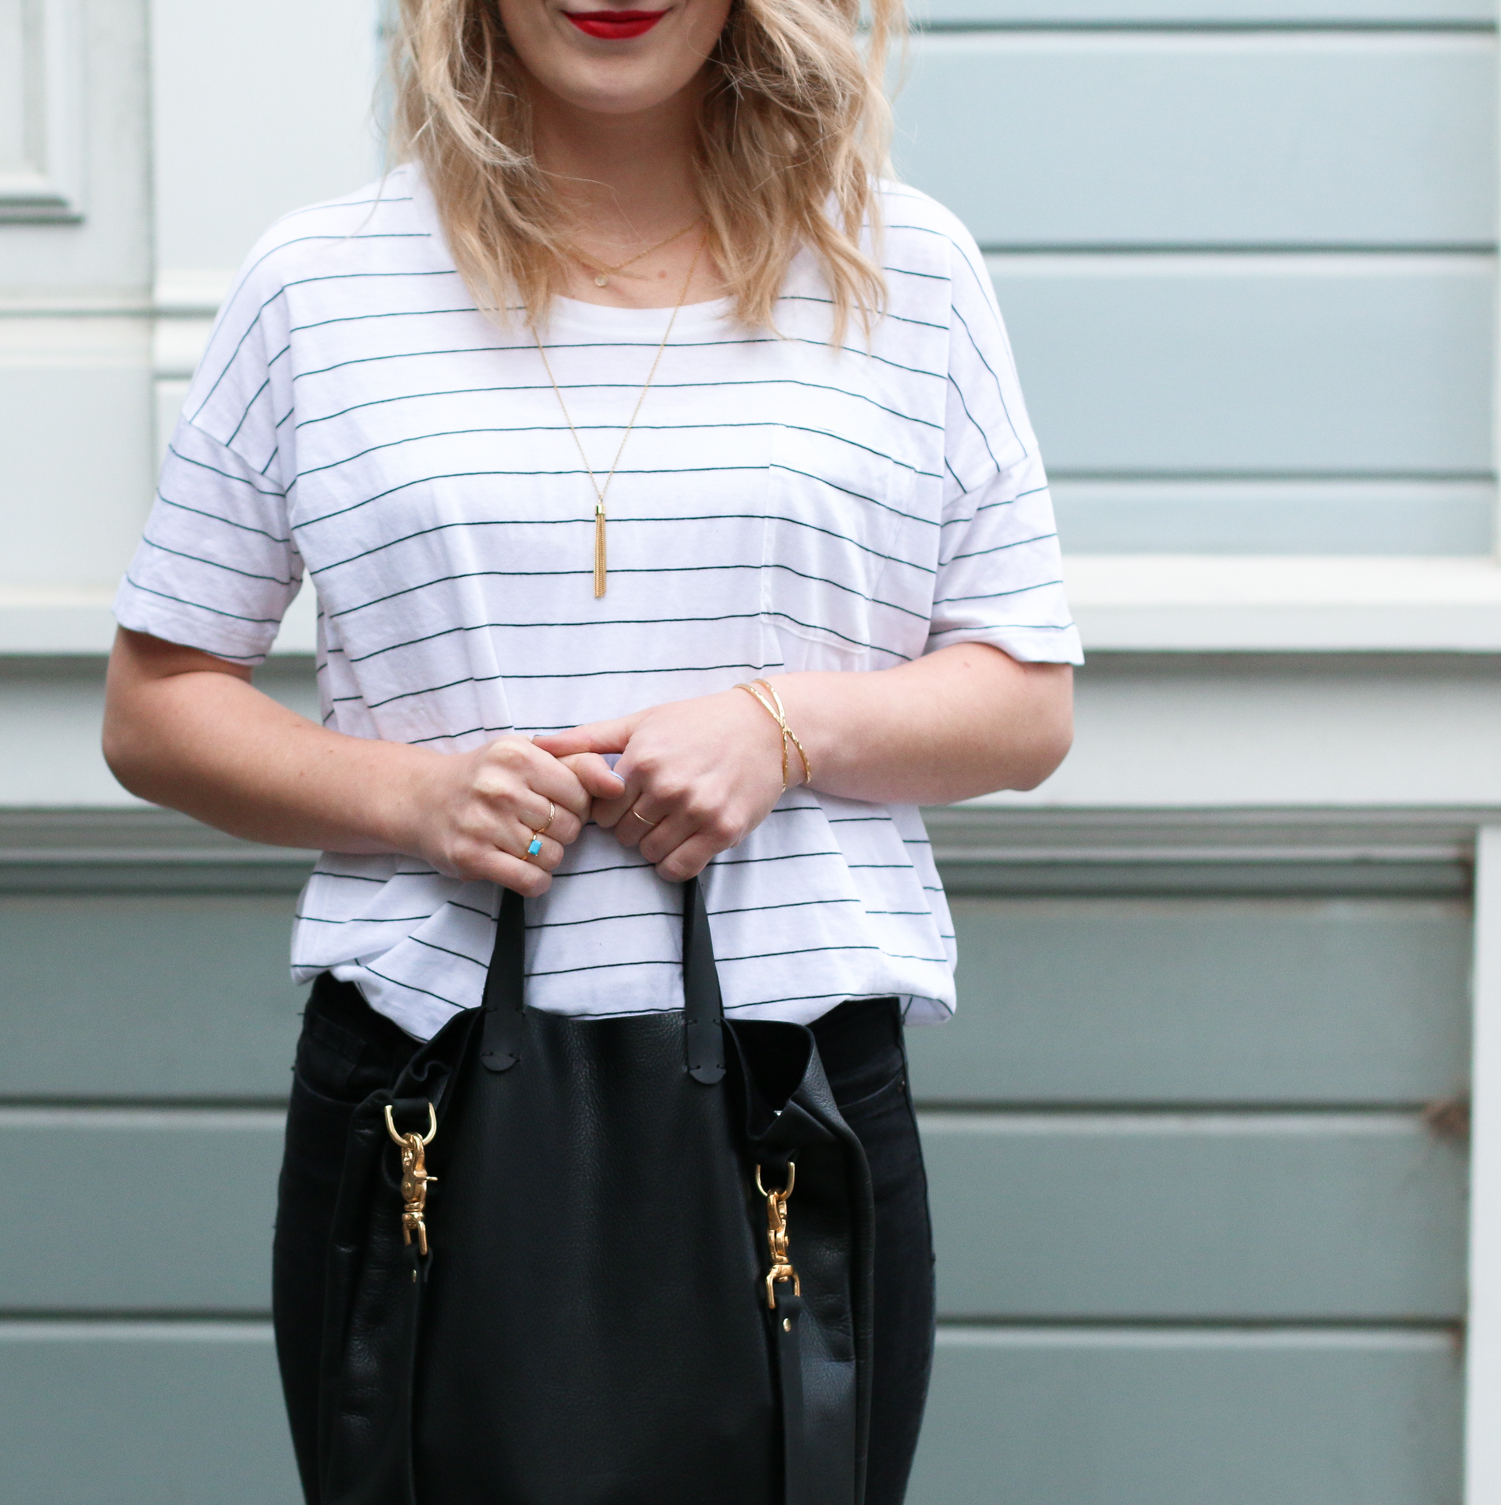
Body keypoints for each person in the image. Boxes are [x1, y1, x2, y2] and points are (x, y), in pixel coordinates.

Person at [102, 0, 1078, 1497]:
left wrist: (785, 728)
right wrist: (419, 795)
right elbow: (158, 701)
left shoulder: (905, 268)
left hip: (792, 1081)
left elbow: (1022, 698)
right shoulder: (320, 286)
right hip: (421, 1082)